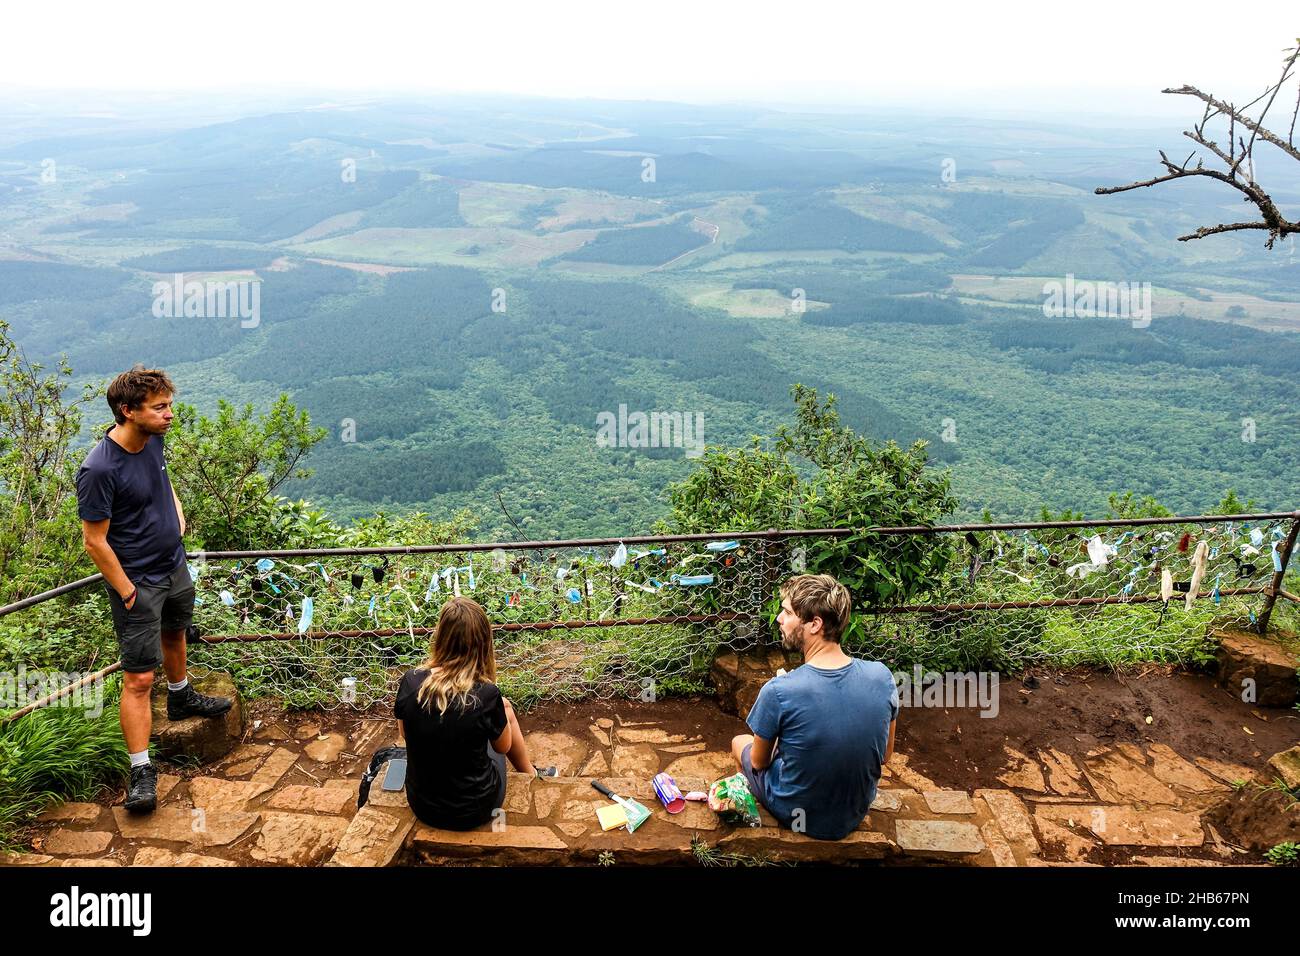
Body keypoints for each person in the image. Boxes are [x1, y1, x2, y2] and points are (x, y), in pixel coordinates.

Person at [76, 366, 232, 815]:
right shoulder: (99, 467)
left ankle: (181, 695)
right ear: (128, 411)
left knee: (176, 634)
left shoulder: (152, 441)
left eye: (168, 404)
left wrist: (177, 518)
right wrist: (126, 590)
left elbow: (164, 482)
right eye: (159, 407)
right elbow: (94, 540)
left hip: (173, 566)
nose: (169, 414)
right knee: (140, 677)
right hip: (138, 582)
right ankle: (142, 769)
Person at [730, 573, 898, 840]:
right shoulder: (882, 676)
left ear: (814, 624)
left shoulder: (779, 690)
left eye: (786, 612)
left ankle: (752, 817)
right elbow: (885, 755)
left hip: (798, 815)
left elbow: (759, 762)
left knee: (740, 743)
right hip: (852, 814)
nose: (779, 619)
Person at [394, 597, 557, 830]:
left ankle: (529, 770)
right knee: (506, 710)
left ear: (440, 637)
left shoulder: (410, 681)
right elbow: (502, 747)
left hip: (424, 806)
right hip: (476, 808)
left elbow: (405, 734)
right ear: (483, 642)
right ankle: (531, 773)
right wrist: (494, 713)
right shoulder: (487, 694)